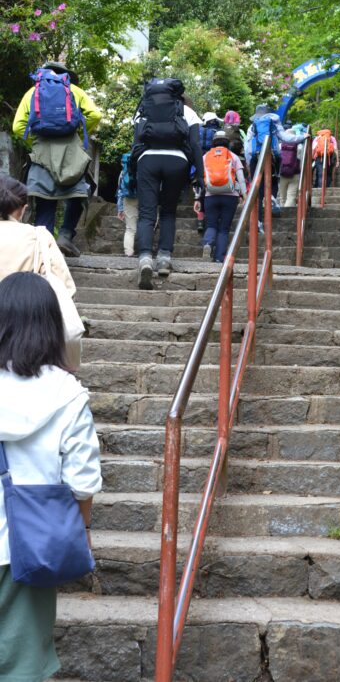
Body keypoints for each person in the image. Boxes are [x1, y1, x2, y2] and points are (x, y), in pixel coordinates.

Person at [0, 271, 101, 682]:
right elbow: (83, 480)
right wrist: (83, 528)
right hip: (31, 544)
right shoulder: (68, 394)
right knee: (23, 665)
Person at [12, 61, 102, 258]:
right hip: (71, 152)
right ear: (66, 75)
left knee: (45, 201)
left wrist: (34, 139)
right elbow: (95, 114)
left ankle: (45, 253)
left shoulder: (33, 93)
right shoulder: (75, 90)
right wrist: (78, 129)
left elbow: (17, 126)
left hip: (42, 152)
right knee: (79, 194)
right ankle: (65, 235)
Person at [133, 78, 204, 290]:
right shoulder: (187, 112)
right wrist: (200, 176)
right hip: (177, 161)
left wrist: (132, 168)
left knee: (146, 213)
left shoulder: (144, 109)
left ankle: (145, 257)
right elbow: (195, 145)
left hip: (148, 159)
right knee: (168, 212)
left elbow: (136, 142)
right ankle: (164, 257)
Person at [244, 105, 307, 229]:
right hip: (272, 157)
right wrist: (302, 137)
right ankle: (272, 196)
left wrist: (248, 162)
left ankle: (259, 221)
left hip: (256, 158)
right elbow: (286, 138)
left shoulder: (252, 126)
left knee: (258, 189)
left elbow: (247, 147)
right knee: (273, 179)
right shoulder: (274, 124)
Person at [198, 131, 246, 263]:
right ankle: (219, 258)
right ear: (227, 142)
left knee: (211, 224)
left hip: (210, 195)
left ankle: (208, 243)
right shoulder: (233, 156)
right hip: (230, 196)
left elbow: (200, 177)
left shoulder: (206, 156)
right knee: (224, 228)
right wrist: (244, 195)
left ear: (213, 142)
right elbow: (241, 179)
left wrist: (198, 197)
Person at [116, 152, 138, 257]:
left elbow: (120, 191)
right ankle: (145, 251)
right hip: (146, 198)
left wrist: (120, 209)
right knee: (147, 224)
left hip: (128, 198)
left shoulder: (123, 173)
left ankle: (129, 252)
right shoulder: (146, 166)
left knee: (130, 228)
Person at [279, 127, 303, 207]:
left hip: (282, 173)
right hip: (295, 173)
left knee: (282, 197)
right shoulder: (299, 146)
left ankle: (282, 215)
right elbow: (302, 161)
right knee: (291, 196)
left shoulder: (280, 146)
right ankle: (288, 212)